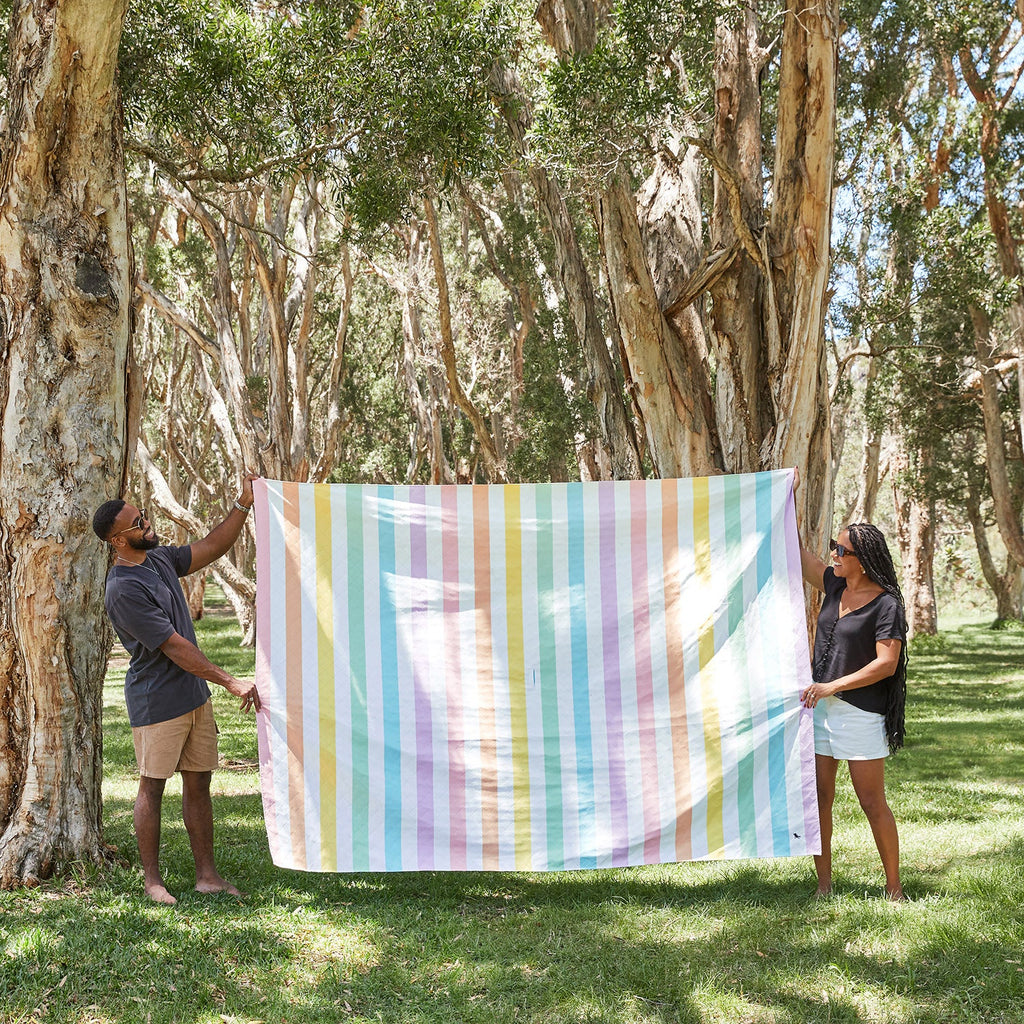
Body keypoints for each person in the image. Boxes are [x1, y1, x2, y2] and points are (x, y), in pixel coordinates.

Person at [92, 475, 262, 905]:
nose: (146, 523)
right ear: (117, 540)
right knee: (153, 787)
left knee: (199, 783)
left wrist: (242, 504)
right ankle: (153, 881)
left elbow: (210, 547)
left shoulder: (160, 560)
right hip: (158, 701)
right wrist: (229, 680)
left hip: (193, 697)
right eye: (137, 523)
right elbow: (174, 646)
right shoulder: (122, 589)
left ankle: (207, 875)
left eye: (143, 516)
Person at [798, 520, 908, 901]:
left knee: (871, 801)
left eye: (842, 551)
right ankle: (823, 886)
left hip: (860, 712)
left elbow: (886, 664)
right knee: (820, 798)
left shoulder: (886, 604)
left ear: (864, 560)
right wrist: (784, 498)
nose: (834, 555)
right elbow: (800, 558)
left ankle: (894, 889)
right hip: (820, 711)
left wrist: (833, 685)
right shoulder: (835, 585)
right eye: (834, 546)